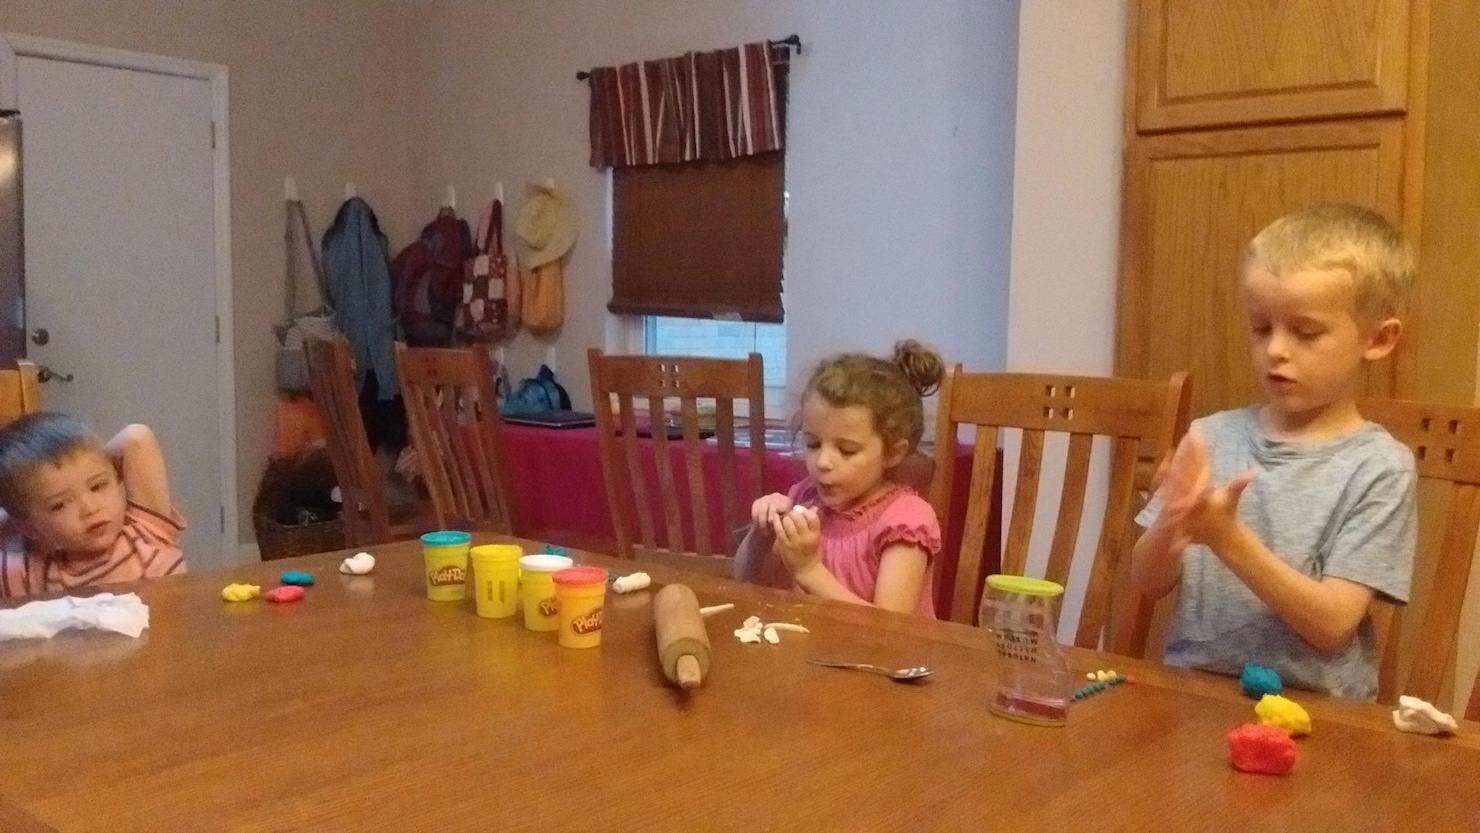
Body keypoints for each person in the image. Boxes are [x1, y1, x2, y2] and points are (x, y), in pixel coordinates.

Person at [1131, 203, 1417, 700]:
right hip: (1194, 698)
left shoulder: (1380, 467)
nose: (1276, 350)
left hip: (1320, 717)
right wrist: (1171, 524)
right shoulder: (1211, 436)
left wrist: (1225, 537)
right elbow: (1147, 582)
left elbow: (1332, 625)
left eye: (1305, 332)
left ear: (1378, 339)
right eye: (1261, 327)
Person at [741, 340, 944, 617]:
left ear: (894, 452)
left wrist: (809, 571)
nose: (822, 462)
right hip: (813, 652)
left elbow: (891, 628)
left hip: (890, 659)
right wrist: (759, 537)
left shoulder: (906, 520)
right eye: (812, 444)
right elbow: (747, 581)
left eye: (846, 450)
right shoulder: (805, 499)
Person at [0, 413, 185, 599]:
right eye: (59, 505)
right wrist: (17, 517)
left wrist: (97, 458)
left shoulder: (148, 533)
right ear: (28, 526)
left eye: (97, 486)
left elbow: (136, 438)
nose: (90, 509)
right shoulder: (34, 575)